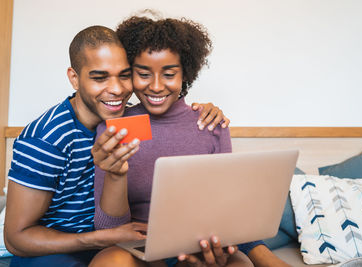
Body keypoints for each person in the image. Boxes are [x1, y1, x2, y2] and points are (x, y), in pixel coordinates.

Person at [4, 25, 230, 267]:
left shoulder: (124, 121)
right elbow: (16, 240)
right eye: (100, 77)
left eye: (124, 75)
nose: (117, 89)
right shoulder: (46, 139)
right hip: (55, 253)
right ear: (74, 78)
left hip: (116, 244)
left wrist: (206, 112)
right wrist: (101, 238)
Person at [91, 15, 290, 267]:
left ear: (186, 73)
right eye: (143, 73)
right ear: (130, 73)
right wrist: (115, 175)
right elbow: (109, 227)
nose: (155, 86)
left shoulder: (210, 125)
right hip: (137, 248)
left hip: (199, 246)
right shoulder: (115, 130)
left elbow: (228, 210)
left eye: (169, 74)